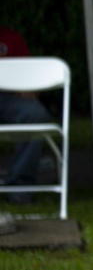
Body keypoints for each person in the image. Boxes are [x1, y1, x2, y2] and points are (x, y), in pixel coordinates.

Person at [0, 26, 52, 204]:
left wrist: (29, 86)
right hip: (8, 92)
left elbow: (27, 74)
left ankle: (19, 187)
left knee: (34, 113)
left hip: (9, 98)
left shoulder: (11, 37)